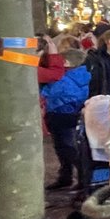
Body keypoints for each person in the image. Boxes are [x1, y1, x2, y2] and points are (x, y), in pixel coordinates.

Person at [41, 48, 91, 190]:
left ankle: (83, 179)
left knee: (67, 148)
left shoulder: (64, 78)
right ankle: (67, 176)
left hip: (61, 114)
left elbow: (50, 93)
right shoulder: (82, 75)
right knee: (65, 147)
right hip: (70, 114)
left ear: (65, 62)